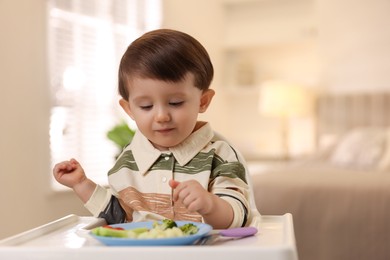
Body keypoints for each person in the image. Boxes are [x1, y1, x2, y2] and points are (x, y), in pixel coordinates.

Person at [53, 29, 260, 229]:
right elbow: (121, 219)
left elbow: (238, 217)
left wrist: (210, 205)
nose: (161, 116)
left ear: (203, 101)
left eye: (176, 102)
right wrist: (81, 184)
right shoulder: (128, 161)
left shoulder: (220, 154)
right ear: (129, 109)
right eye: (146, 106)